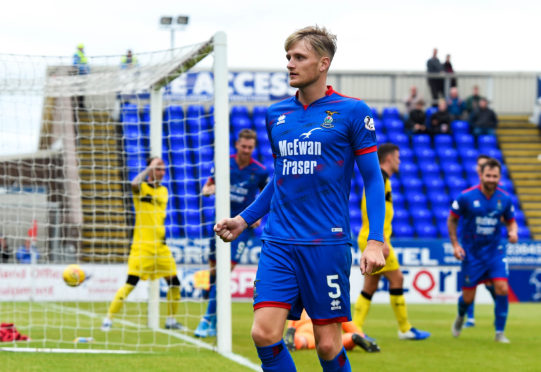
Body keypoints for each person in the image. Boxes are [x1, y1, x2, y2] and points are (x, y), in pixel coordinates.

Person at [213, 25, 386, 372]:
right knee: (264, 334)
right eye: (288, 57)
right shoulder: (276, 115)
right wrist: (244, 219)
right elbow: (281, 179)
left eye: (299, 57)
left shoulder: (352, 112)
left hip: (326, 242)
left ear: (323, 64)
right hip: (278, 240)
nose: (290, 64)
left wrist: (376, 240)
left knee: (326, 345)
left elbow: (372, 178)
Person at [194, 129, 269, 338]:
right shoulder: (223, 162)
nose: (246, 150)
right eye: (243, 146)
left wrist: (258, 216)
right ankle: (215, 317)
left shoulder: (260, 171)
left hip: (241, 228)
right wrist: (208, 189)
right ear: (237, 145)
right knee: (215, 271)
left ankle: (207, 319)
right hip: (219, 221)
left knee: (224, 271)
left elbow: (266, 195)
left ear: (253, 148)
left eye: (250, 147)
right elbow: (208, 184)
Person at [353, 143, 431, 341]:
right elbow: (372, 209)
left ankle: (355, 329)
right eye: (397, 157)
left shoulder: (380, 179)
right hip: (376, 239)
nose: (399, 161)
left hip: (371, 237)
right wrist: (381, 240)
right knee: (397, 279)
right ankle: (404, 328)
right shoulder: (380, 179)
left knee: (370, 286)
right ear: (388, 159)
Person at [101, 157, 184, 331]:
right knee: (131, 283)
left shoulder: (164, 191)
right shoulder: (141, 189)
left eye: (162, 169)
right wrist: (148, 169)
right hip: (142, 246)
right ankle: (108, 319)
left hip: (161, 247)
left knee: (175, 283)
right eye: (157, 168)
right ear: (150, 169)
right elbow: (134, 183)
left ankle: (170, 320)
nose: (161, 172)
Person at [448, 158, 518, 343]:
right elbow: (452, 219)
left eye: (495, 176)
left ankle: (499, 332)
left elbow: (510, 220)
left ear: (499, 177)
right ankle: (461, 316)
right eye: (488, 175)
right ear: (481, 175)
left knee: (502, 288)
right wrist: (456, 244)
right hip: (472, 254)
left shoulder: (505, 199)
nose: (491, 179)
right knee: (468, 298)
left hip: (495, 252)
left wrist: (513, 232)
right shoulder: (466, 197)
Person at [462, 155, 498, 328]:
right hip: (471, 246)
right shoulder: (470, 193)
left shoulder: (499, 193)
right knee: (471, 283)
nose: (480, 167)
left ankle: (498, 308)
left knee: (493, 283)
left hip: (490, 247)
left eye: (483, 165)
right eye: (479, 165)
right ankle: (470, 316)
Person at [284, 309, 380, 353]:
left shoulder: (301, 305)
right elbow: (346, 322)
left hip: (306, 331)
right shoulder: (329, 304)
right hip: (328, 330)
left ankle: (292, 342)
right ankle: (352, 338)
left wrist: (290, 331)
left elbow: (292, 322)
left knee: (303, 340)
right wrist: (362, 335)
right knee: (334, 341)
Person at [72, 43, 89, 109]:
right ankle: (78, 105)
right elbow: (75, 64)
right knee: (78, 90)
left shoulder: (83, 54)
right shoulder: (77, 54)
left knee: (82, 90)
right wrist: (82, 69)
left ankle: (81, 105)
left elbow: (85, 64)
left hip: (84, 74)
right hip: (80, 74)